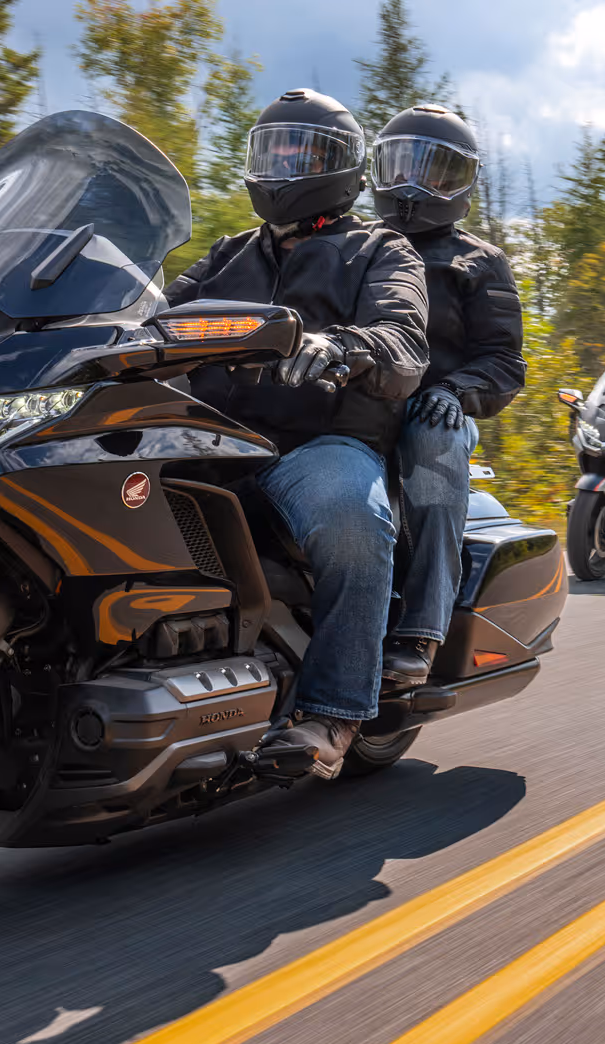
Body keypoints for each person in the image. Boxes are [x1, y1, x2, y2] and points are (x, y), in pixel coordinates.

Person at [162, 88, 430, 779]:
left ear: (340, 168)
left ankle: (334, 712)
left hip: (316, 442)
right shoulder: (227, 256)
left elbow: (403, 338)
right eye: (271, 149)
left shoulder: (380, 249)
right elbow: (148, 317)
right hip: (210, 439)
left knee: (350, 518)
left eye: (300, 152)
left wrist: (346, 347)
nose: (282, 164)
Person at [369, 104, 526, 688]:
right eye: (400, 166)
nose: (413, 184)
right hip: (353, 401)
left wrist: (456, 392)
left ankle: (420, 631)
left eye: (432, 170)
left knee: (431, 440)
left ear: (459, 181)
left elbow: (505, 361)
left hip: (431, 408)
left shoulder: (479, 262)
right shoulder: (355, 248)